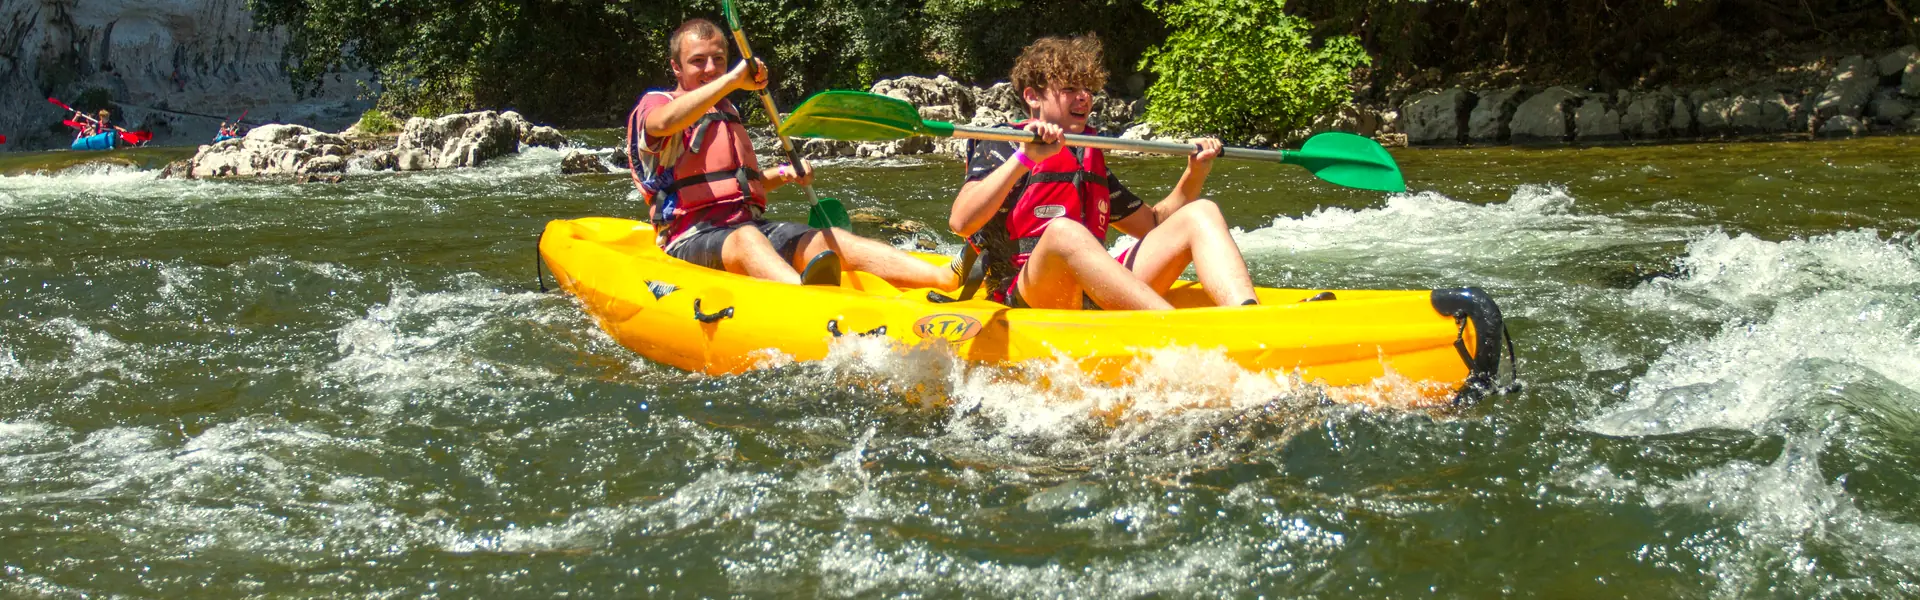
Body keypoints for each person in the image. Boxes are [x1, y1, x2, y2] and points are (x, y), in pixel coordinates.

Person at [627, 18, 957, 289]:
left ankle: (944, 277)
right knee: (747, 240)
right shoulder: (658, 104)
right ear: (676, 67)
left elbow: (740, 187)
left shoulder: (726, 111)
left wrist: (784, 174)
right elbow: (662, 125)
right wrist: (732, 80)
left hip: (747, 225)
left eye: (718, 60)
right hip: (689, 237)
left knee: (827, 239)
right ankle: (803, 296)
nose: (710, 69)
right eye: (698, 61)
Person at [948, 34, 1259, 311]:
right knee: (1063, 231)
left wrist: (1196, 171)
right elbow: (961, 222)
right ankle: (1172, 329)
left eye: (1087, 89)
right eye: (1070, 89)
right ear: (1032, 96)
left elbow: (1152, 225)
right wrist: (1024, 158)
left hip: (1092, 291)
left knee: (1200, 213)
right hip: (1027, 294)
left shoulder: (1084, 156)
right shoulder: (1004, 145)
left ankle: (1247, 318)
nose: (1084, 97)